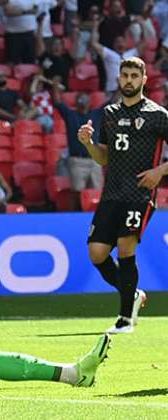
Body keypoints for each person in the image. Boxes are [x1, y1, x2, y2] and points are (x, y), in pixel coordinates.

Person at [77, 57, 168, 334]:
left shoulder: (158, 114)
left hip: (140, 192)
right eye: (124, 75)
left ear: (143, 80)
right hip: (112, 192)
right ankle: (134, 295)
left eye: (133, 76)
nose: (128, 80)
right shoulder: (109, 113)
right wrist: (88, 144)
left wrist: (160, 172)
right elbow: (103, 158)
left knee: (126, 246)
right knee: (96, 253)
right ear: (119, 78)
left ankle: (125, 319)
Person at [52, 82, 104, 209]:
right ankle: (75, 217)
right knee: (76, 192)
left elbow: (114, 101)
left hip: (94, 160)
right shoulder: (71, 115)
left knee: (96, 192)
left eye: (85, 98)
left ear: (90, 101)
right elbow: (57, 103)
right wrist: (55, 86)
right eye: (80, 98)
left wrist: (121, 87)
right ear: (76, 102)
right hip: (77, 160)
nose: (83, 100)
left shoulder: (96, 114)